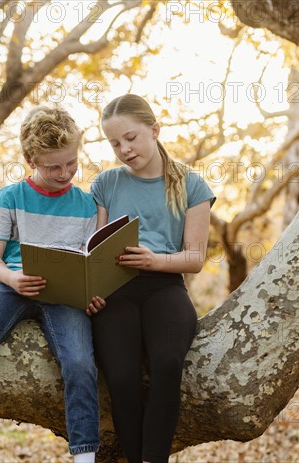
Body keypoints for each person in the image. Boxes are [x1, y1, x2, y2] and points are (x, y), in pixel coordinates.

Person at [0, 107, 100, 463]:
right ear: (30, 160)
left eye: (71, 164)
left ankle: (85, 457)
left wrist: (91, 292)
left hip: (64, 297)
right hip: (10, 287)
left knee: (80, 363)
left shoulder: (87, 204)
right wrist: (13, 277)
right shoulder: (11, 197)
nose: (64, 174)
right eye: (53, 167)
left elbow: (90, 263)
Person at [87, 94, 215, 463]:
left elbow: (194, 259)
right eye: (114, 143)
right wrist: (90, 290)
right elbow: (95, 250)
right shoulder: (106, 183)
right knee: (122, 376)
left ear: (154, 130)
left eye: (131, 138)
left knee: (167, 364)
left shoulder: (191, 184)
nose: (124, 149)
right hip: (116, 290)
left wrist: (155, 260)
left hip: (165, 286)